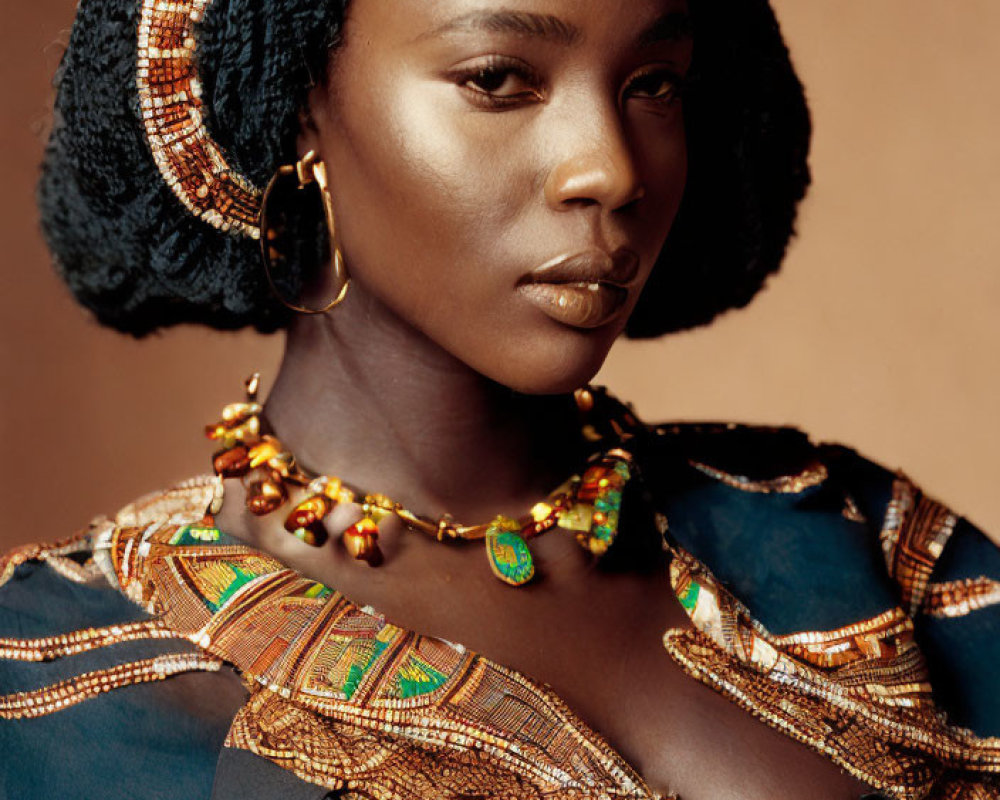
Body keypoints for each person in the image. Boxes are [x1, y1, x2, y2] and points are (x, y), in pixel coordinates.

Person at [1, 0, 998, 798]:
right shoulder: (59, 684)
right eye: (498, 80)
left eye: (653, 83)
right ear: (297, 104)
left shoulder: (844, 533)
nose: (609, 168)